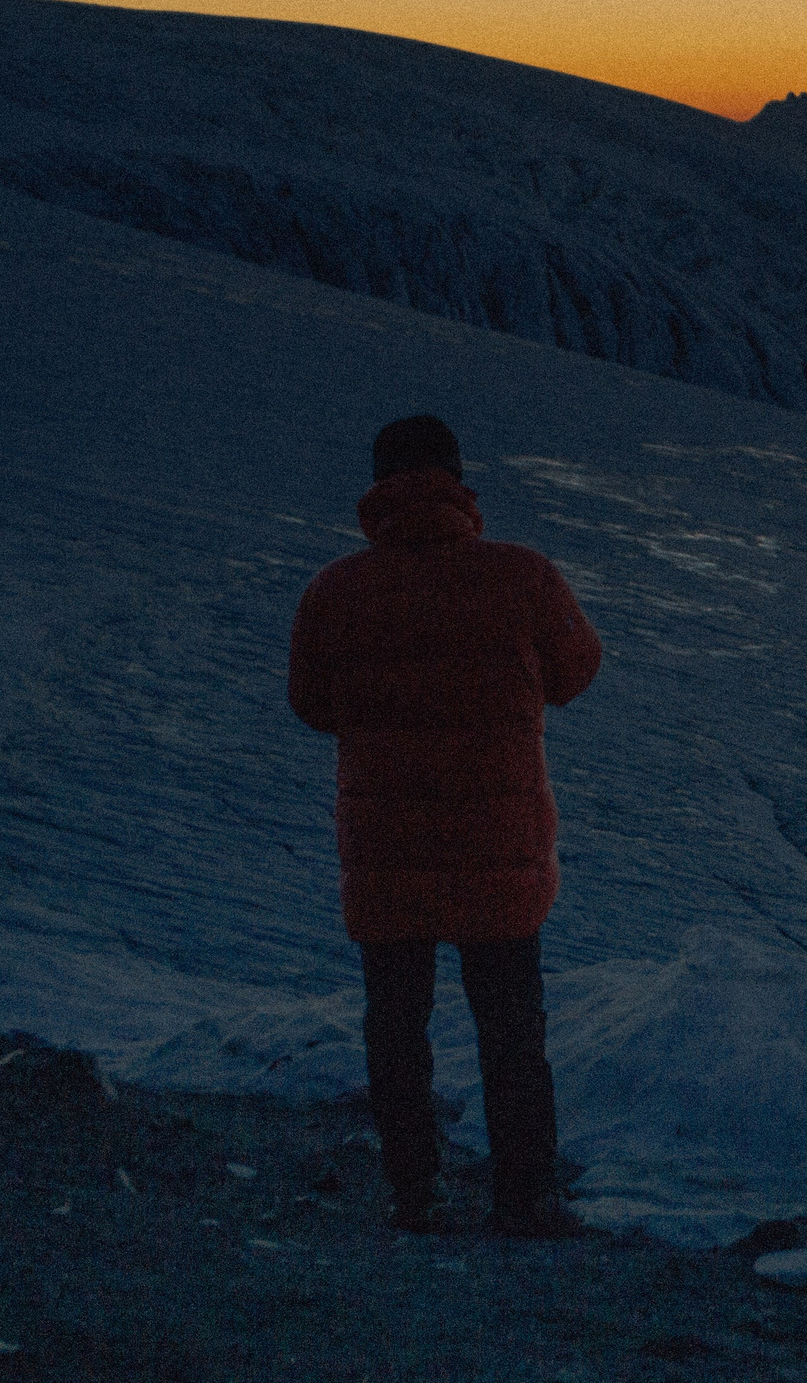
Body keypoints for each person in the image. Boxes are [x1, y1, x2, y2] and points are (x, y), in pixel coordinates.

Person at [287, 415, 603, 1238]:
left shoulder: (336, 590)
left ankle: (414, 1193)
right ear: (460, 479)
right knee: (509, 1026)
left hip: (388, 848)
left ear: (378, 486)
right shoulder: (523, 577)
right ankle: (525, 1195)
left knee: (397, 1021)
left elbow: (312, 703)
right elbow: (577, 670)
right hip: (498, 845)